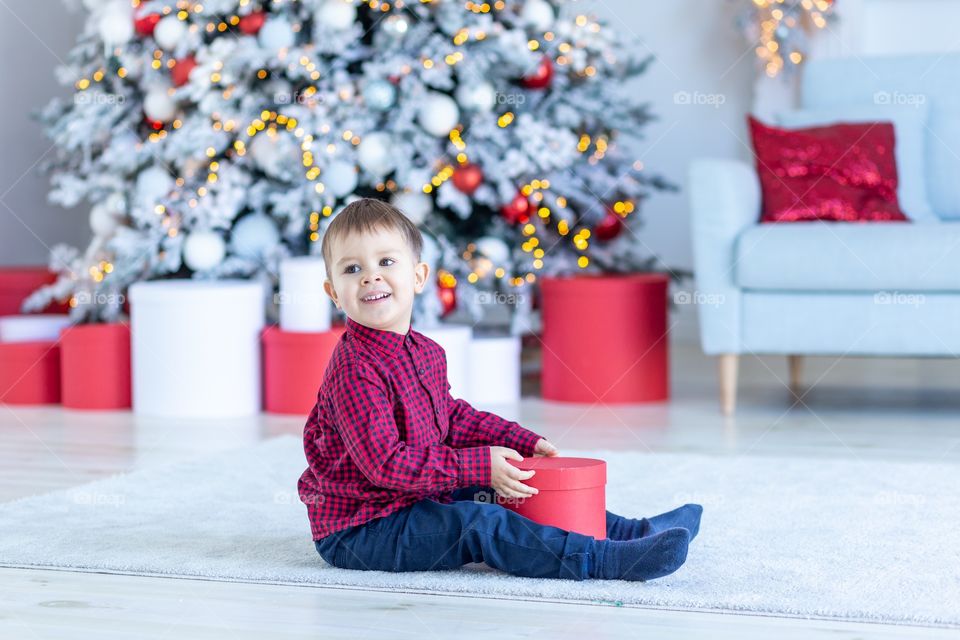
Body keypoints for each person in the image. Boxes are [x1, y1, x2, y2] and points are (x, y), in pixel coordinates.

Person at [297, 198, 702, 581]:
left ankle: (630, 532)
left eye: (386, 261)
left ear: (418, 277)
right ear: (333, 292)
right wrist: (478, 465)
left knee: (514, 482)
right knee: (478, 521)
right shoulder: (355, 369)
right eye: (351, 269)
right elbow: (386, 464)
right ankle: (597, 559)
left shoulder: (425, 352)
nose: (370, 276)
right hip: (364, 528)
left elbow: (451, 417)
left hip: (416, 497)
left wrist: (518, 441)